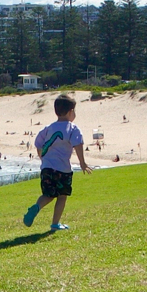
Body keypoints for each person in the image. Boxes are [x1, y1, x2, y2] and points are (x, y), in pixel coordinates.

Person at [22, 93, 89, 231]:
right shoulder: (73, 128)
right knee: (62, 196)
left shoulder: (47, 128)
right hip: (63, 169)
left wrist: (43, 158)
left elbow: (38, 144)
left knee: (48, 194)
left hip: (47, 168)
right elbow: (78, 144)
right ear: (71, 112)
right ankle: (55, 224)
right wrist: (82, 162)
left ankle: (37, 207)